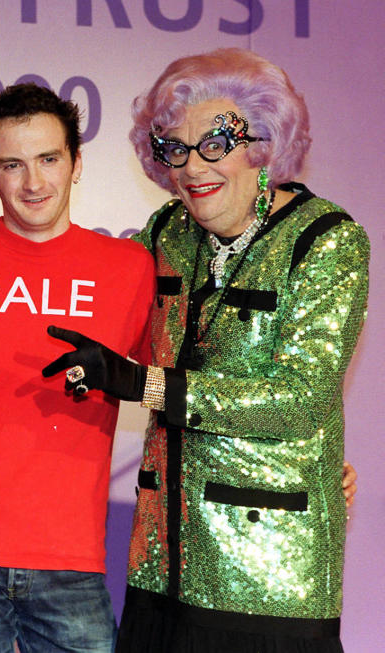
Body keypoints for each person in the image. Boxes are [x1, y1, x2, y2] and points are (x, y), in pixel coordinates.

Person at [43, 48, 368, 652]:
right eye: (175, 149)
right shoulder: (168, 231)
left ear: (264, 145)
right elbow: (91, 312)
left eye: (215, 144)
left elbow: (303, 400)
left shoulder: (327, 240)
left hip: (268, 584)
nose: (193, 167)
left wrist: (150, 385)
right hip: (158, 568)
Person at [0, 83, 156, 652]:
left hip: (72, 557)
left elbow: (171, 389)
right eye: (12, 165)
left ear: (77, 162)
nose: (34, 183)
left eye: (49, 159)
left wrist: (285, 461)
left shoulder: (130, 267)